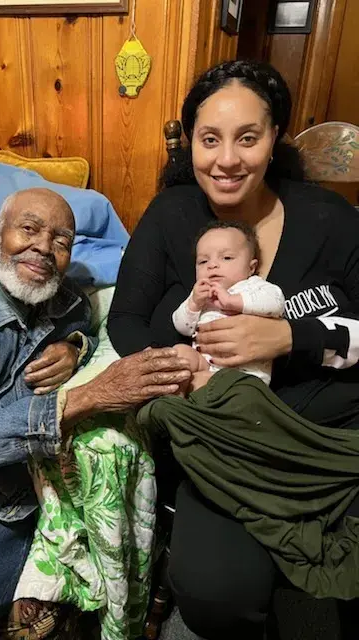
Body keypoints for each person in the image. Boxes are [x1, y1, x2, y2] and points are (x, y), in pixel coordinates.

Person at [107, 60, 359, 640]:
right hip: (225, 444)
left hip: (333, 435)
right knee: (212, 594)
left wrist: (292, 338)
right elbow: (125, 320)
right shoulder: (171, 215)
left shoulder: (330, 219)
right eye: (209, 139)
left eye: (247, 138)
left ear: (275, 139)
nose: (226, 160)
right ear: (191, 142)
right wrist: (182, 369)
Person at [0, 187, 191, 640]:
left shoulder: (64, 301)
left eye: (61, 241)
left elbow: (84, 322)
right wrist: (85, 397)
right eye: (29, 229)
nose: (44, 247)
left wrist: (76, 347)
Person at [172, 219, 285, 391]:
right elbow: (182, 327)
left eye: (226, 258)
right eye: (203, 261)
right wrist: (194, 304)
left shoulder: (253, 286)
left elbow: (276, 303)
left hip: (243, 373)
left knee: (208, 384)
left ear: (251, 267)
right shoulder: (201, 294)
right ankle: (174, 399)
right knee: (179, 353)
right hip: (205, 364)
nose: (212, 265)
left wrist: (234, 301)